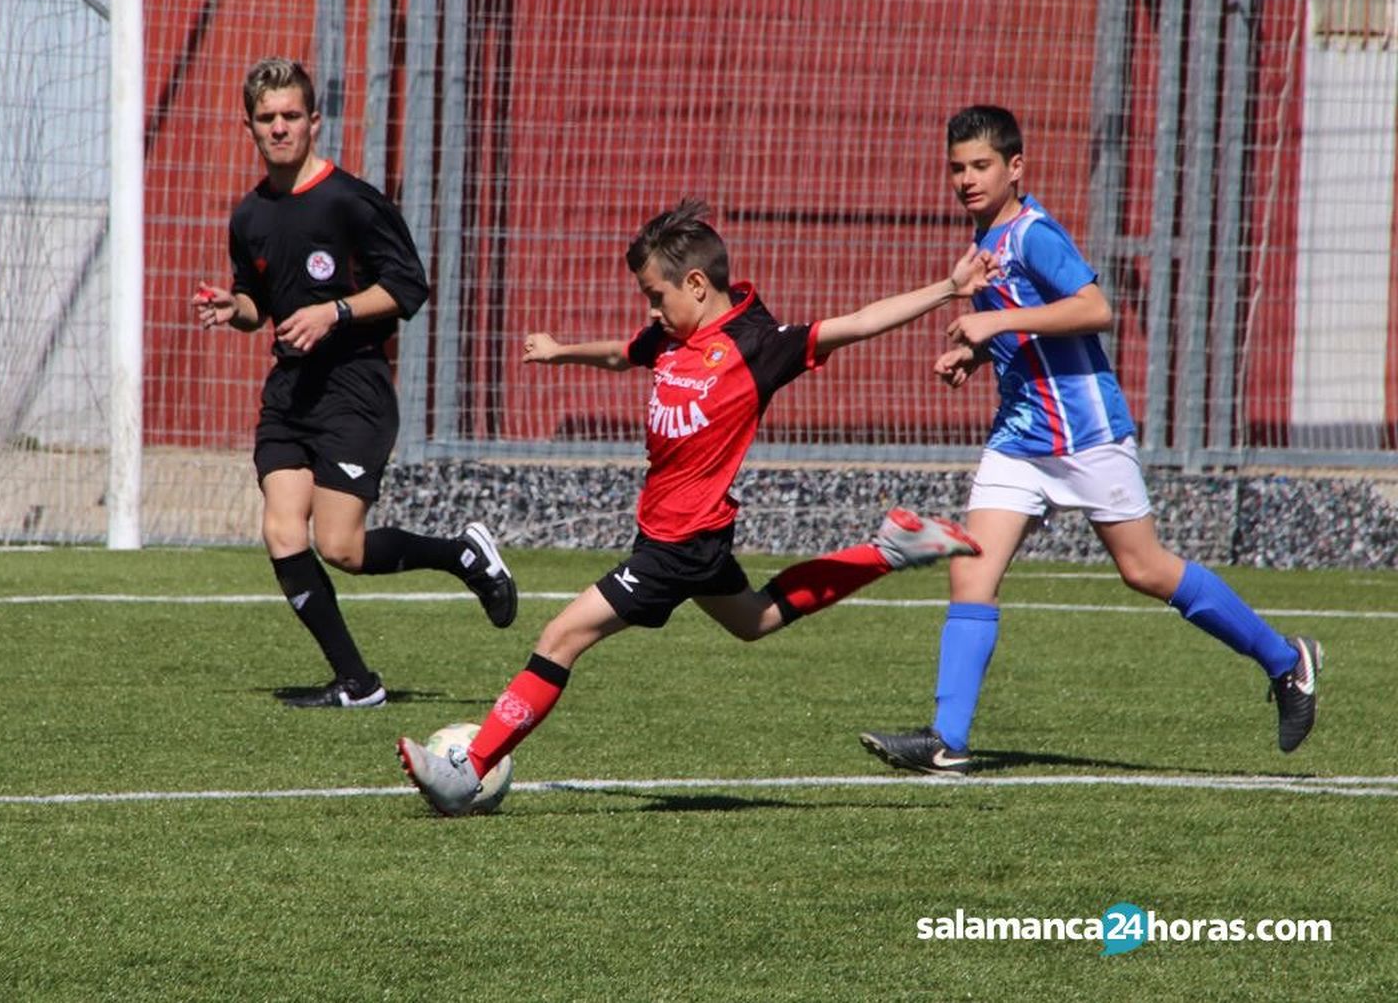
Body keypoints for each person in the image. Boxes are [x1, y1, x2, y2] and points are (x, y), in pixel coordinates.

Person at [397, 198, 995, 814]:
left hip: (679, 545)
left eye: (656, 296)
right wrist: (560, 351)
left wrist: (949, 289)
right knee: (755, 619)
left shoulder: (756, 346)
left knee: (560, 638)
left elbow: (861, 322)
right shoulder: (668, 338)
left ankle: (468, 770)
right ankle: (889, 550)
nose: (651, 311)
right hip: (684, 535)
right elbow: (620, 353)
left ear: (697, 285)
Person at [859, 105, 1322, 776]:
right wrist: (977, 353)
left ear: (1016, 167)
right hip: (1020, 436)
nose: (967, 179)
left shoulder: (1033, 233)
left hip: (1085, 435)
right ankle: (945, 740)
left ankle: (1286, 661)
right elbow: (1028, 328)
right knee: (971, 568)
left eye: (981, 165)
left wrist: (994, 325)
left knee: (1145, 569)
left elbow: (1094, 308)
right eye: (957, 168)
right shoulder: (985, 236)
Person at [193, 57, 516, 709]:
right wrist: (237, 308)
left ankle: (463, 555)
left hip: (354, 389)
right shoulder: (249, 216)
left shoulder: (351, 202)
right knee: (283, 532)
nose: (279, 127)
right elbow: (257, 302)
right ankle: (357, 683)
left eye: (290, 115)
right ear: (249, 126)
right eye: (266, 118)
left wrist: (334, 311)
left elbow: (409, 287)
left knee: (340, 546)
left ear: (314, 121)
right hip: (291, 392)